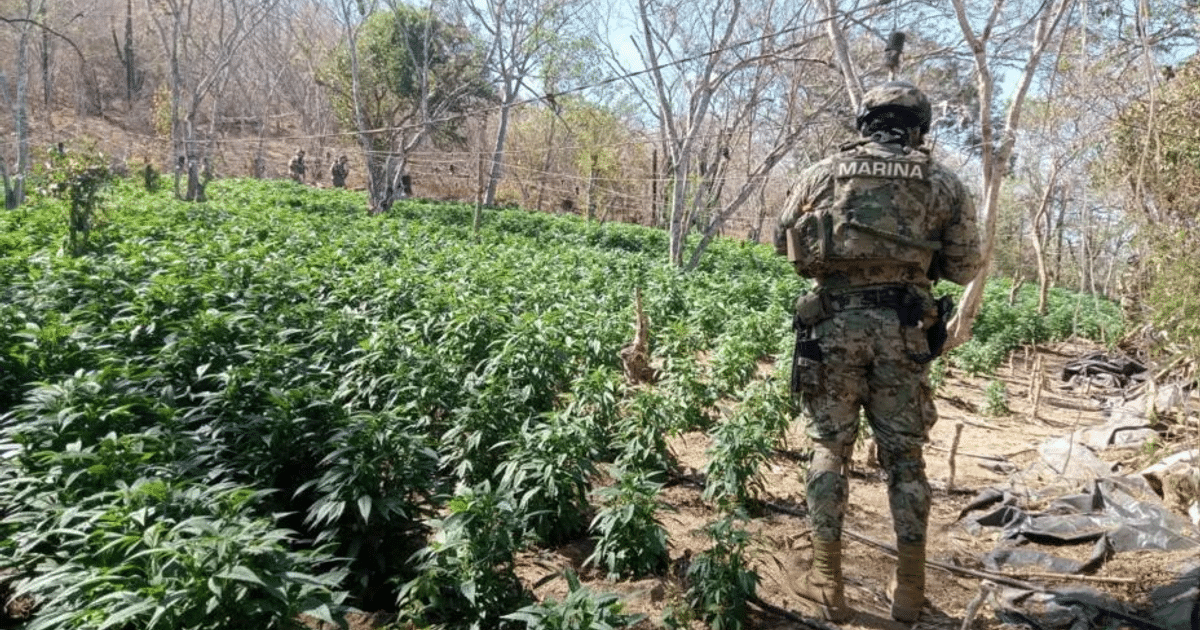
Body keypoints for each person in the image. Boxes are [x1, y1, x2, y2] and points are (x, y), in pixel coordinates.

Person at [774, 80, 982, 623]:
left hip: (832, 329)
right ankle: (909, 588)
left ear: (865, 123)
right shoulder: (944, 182)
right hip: (904, 331)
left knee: (828, 448)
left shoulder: (822, 174)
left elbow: (783, 242)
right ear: (919, 128)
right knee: (905, 459)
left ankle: (826, 579)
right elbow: (963, 267)